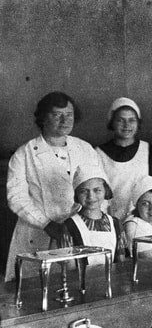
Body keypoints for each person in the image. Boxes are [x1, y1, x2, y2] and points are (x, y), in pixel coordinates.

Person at [5, 91, 99, 281]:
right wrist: (47, 224)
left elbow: (98, 189)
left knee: (77, 283)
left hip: (77, 229)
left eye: (69, 114)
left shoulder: (85, 149)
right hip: (36, 232)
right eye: (57, 115)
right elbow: (16, 197)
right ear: (43, 118)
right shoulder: (25, 154)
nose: (65, 120)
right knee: (34, 286)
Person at [96, 97, 152, 221]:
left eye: (132, 120)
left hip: (144, 221)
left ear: (138, 123)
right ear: (112, 122)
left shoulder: (148, 150)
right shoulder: (99, 153)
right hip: (110, 220)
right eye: (120, 120)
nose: (127, 125)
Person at [62, 165, 126, 264]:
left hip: (112, 274)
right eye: (83, 191)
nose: (91, 196)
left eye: (97, 190)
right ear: (76, 195)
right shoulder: (69, 226)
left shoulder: (116, 224)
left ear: (106, 192)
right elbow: (70, 267)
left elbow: (121, 263)